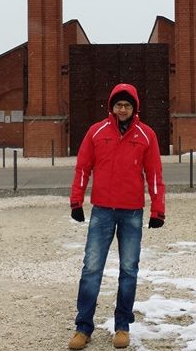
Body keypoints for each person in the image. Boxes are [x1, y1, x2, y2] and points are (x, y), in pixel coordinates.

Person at [68, 83, 165, 350]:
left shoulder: (146, 135)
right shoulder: (96, 131)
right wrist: (76, 200)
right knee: (91, 268)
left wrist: (158, 209)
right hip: (102, 211)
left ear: (134, 108)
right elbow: (82, 167)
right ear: (112, 107)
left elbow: (154, 174)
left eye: (127, 105)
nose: (122, 109)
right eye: (118, 105)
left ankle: (122, 325)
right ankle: (83, 327)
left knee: (129, 270)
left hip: (132, 213)